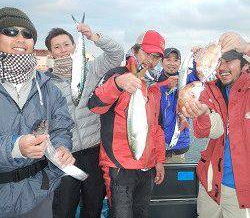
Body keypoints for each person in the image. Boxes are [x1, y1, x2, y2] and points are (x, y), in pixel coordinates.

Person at [0, 7, 75, 217]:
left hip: (38, 194)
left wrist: (62, 148)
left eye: (27, 34)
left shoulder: (49, 87)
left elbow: (62, 127)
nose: (21, 38)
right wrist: (14, 148)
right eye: (11, 32)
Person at [44, 24, 124, 217]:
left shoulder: (91, 69)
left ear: (74, 46)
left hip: (94, 151)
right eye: (57, 47)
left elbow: (116, 54)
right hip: (63, 155)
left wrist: (93, 36)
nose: (63, 50)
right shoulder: (45, 82)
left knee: (93, 206)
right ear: (51, 53)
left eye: (66, 44)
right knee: (63, 208)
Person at [88, 30, 166, 218]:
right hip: (120, 166)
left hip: (146, 167)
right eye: (147, 54)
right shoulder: (117, 75)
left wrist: (159, 161)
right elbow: (94, 105)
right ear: (136, 50)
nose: (151, 60)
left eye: (156, 57)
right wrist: (117, 83)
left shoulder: (154, 87)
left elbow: (156, 128)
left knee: (142, 214)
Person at [182, 35, 250, 217]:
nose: (223, 68)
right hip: (211, 184)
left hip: (242, 191)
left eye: (229, 61)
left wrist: (246, 47)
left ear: (244, 65)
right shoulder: (209, 89)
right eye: (220, 61)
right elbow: (207, 131)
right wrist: (203, 114)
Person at [158, 48, 199, 163]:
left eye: (176, 60)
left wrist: (196, 58)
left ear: (180, 63)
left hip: (178, 144)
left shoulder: (186, 80)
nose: (172, 63)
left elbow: (198, 76)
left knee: (175, 178)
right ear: (162, 62)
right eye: (168, 59)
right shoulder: (154, 81)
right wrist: (165, 85)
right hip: (156, 144)